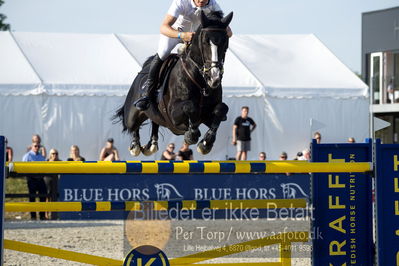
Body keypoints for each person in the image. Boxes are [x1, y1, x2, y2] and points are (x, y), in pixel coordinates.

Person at [134, 0, 233, 111]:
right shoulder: (180, 2)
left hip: (195, 38)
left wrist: (224, 30)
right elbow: (163, 27)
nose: (201, 1)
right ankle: (148, 94)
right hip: (175, 33)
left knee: (208, 60)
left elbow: (229, 32)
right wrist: (182, 35)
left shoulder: (213, 5)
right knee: (163, 54)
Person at [22, 142, 47, 220]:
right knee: (32, 198)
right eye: (35, 146)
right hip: (31, 179)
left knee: (43, 197)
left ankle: (42, 215)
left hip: (40, 178)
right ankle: (33, 216)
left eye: (38, 146)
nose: (37, 147)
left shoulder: (41, 157)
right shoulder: (27, 156)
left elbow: (45, 167)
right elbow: (23, 167)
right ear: (31, 147)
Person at [45, 149, 61, 220]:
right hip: (48, 181)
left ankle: (55, 214)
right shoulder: (47, 162)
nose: (55, 155)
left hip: (57, 181)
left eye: (56, 154)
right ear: (50, 155)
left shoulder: (60, 162)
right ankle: (46, 214)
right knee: (48, 198)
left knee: (56, 197)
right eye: (53, 154)